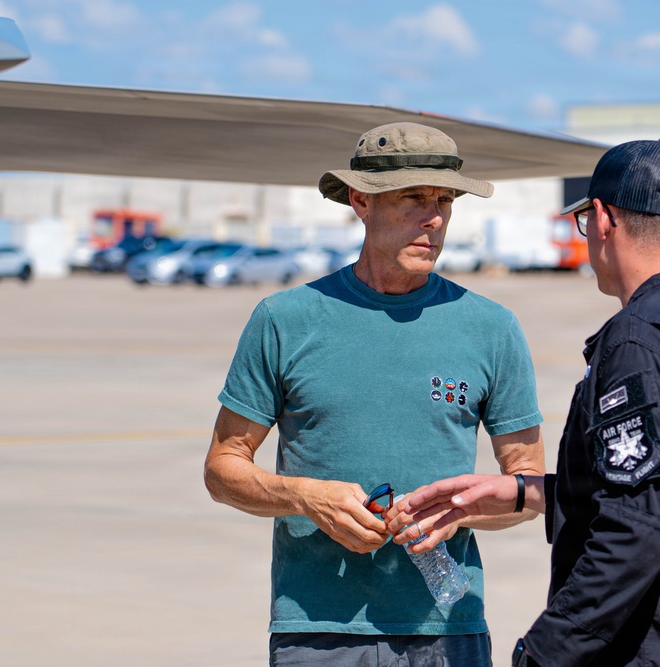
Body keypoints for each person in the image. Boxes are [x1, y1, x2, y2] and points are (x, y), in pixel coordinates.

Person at [392, 140, 660, 666]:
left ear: (601, 218)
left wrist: (547, 650)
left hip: (648, 651)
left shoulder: (641, 340)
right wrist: (524, 493)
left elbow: (638, 526)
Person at [202, 121, 545, 667]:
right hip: (317, 631)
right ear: (361, 200)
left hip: (446, 630)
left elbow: (527, 484)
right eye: (412, 198)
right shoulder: (284, 319)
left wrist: (457, 512)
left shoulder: (492, 328)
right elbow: (223, 468)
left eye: (444, 200)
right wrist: (305, 497)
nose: (433, 218)